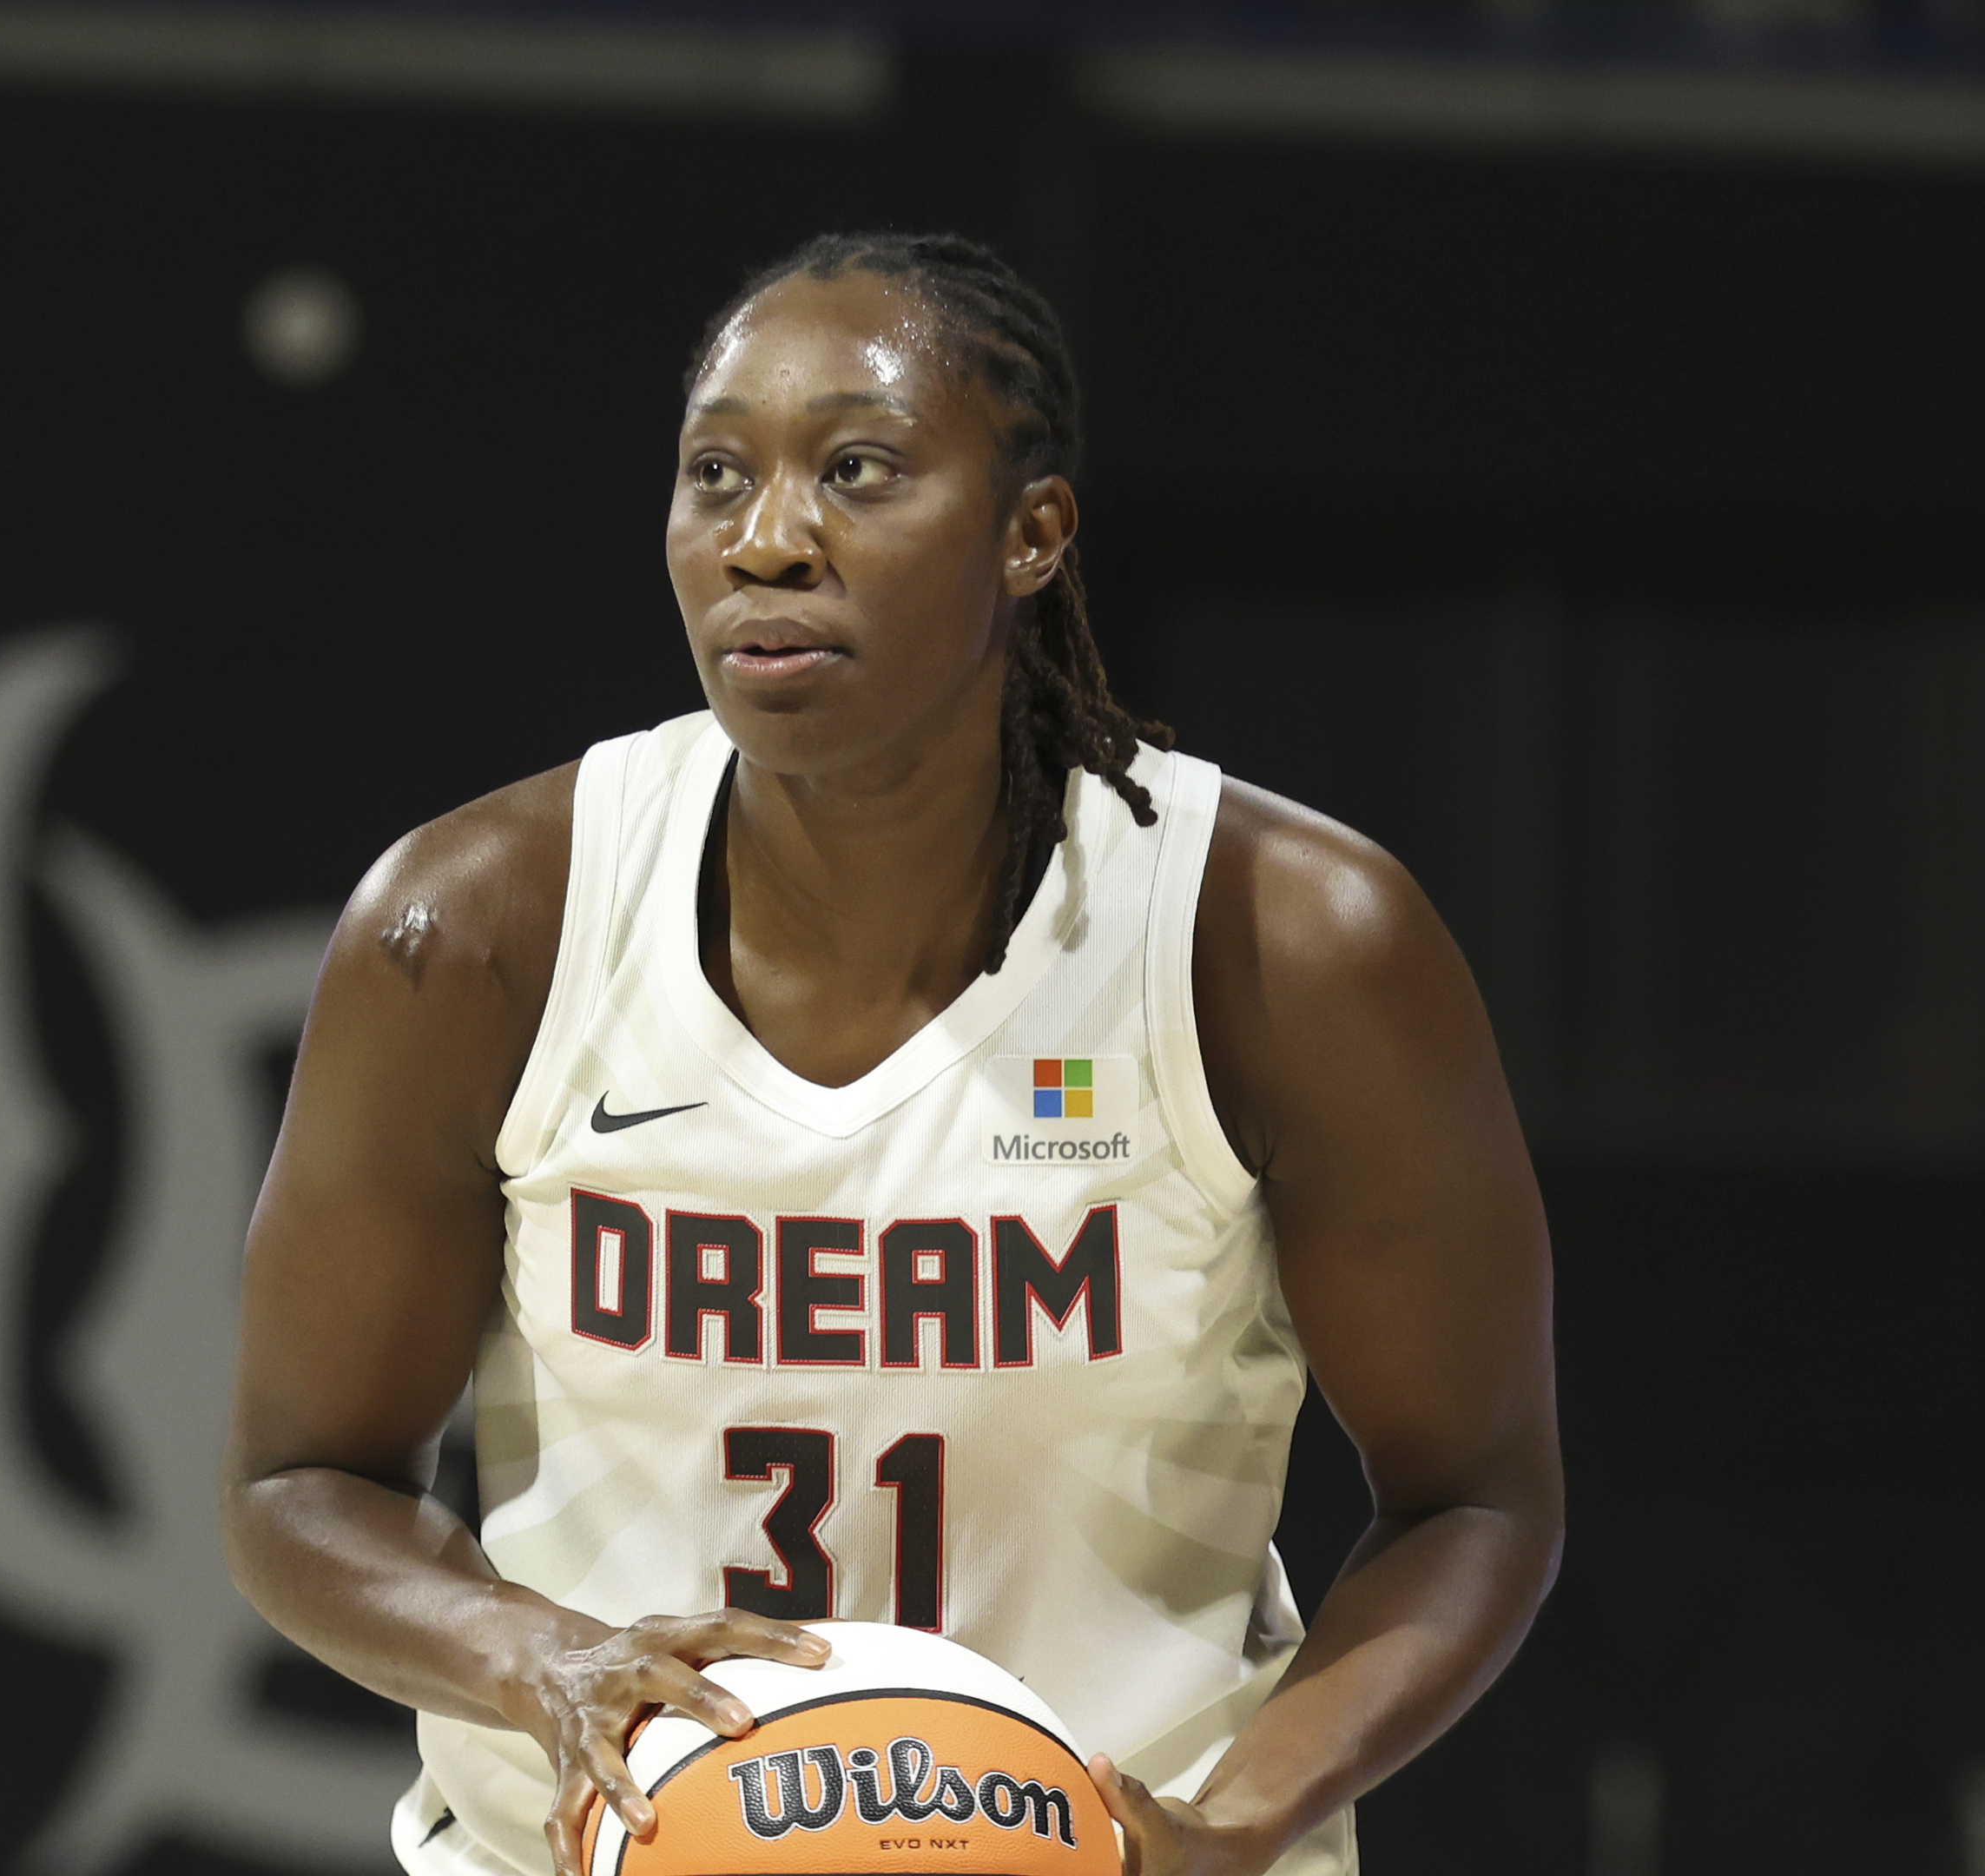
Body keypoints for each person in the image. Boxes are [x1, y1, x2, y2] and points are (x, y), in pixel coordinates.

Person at [224, 231, 1562, 1876]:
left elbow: (1477, 1498)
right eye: (717, 477)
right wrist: (543, 1662)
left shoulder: (1283, 941)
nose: (768, 540)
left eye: (857, 472)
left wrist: (1237, 1825)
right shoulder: (477, 928)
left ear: (1032, 534)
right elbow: (297, 1483)